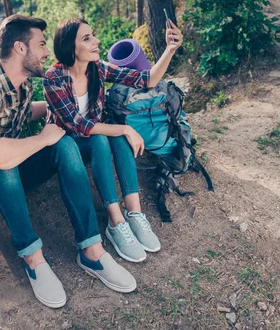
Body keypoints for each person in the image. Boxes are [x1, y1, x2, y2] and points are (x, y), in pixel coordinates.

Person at [0, 14, 137, 309]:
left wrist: (61, 113)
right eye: (41, 45)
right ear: (20, 48)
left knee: (64, 143)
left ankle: (92, 251)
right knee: (6, 163)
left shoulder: (24, 85)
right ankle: (33, 258)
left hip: (18, 166)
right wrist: (42, 139)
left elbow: (23, 113)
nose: (46, 52)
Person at [43, 18, 182, 263]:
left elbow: (146, 79)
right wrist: (123, 129)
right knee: (107, 136)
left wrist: (170, 49)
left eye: (92, 35)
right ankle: (115, 221)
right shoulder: (53, 77)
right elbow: (78, 124)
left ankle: (134, 213)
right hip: (66, 144)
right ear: (69, 48)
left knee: (114, 137)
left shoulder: (97, 68)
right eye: (86, 38)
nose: (96, 41)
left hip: (93, 137)